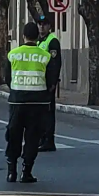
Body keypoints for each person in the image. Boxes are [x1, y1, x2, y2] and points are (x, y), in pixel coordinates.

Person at [4, 22, 57, 183]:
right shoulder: (45, 56)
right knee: (32, 138)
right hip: (38, 103)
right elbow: (51, 80)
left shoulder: (13, 54)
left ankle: (11, 171)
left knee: (14, 136)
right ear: (37, 37)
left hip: (17, 102)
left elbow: (7, 78)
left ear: (23, 36)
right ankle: (26, 171)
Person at [36, 15, 62, 152]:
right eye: (39, 24)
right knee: (40, 113)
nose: (41, 27)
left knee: (48, 113)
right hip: (39, 83)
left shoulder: (52, 42)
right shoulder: (39, 41)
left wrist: (53, 83)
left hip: (48, 83)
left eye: (44, 24)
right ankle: (41, 138)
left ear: (49, 26)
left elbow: (55, 64)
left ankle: (49, 140)